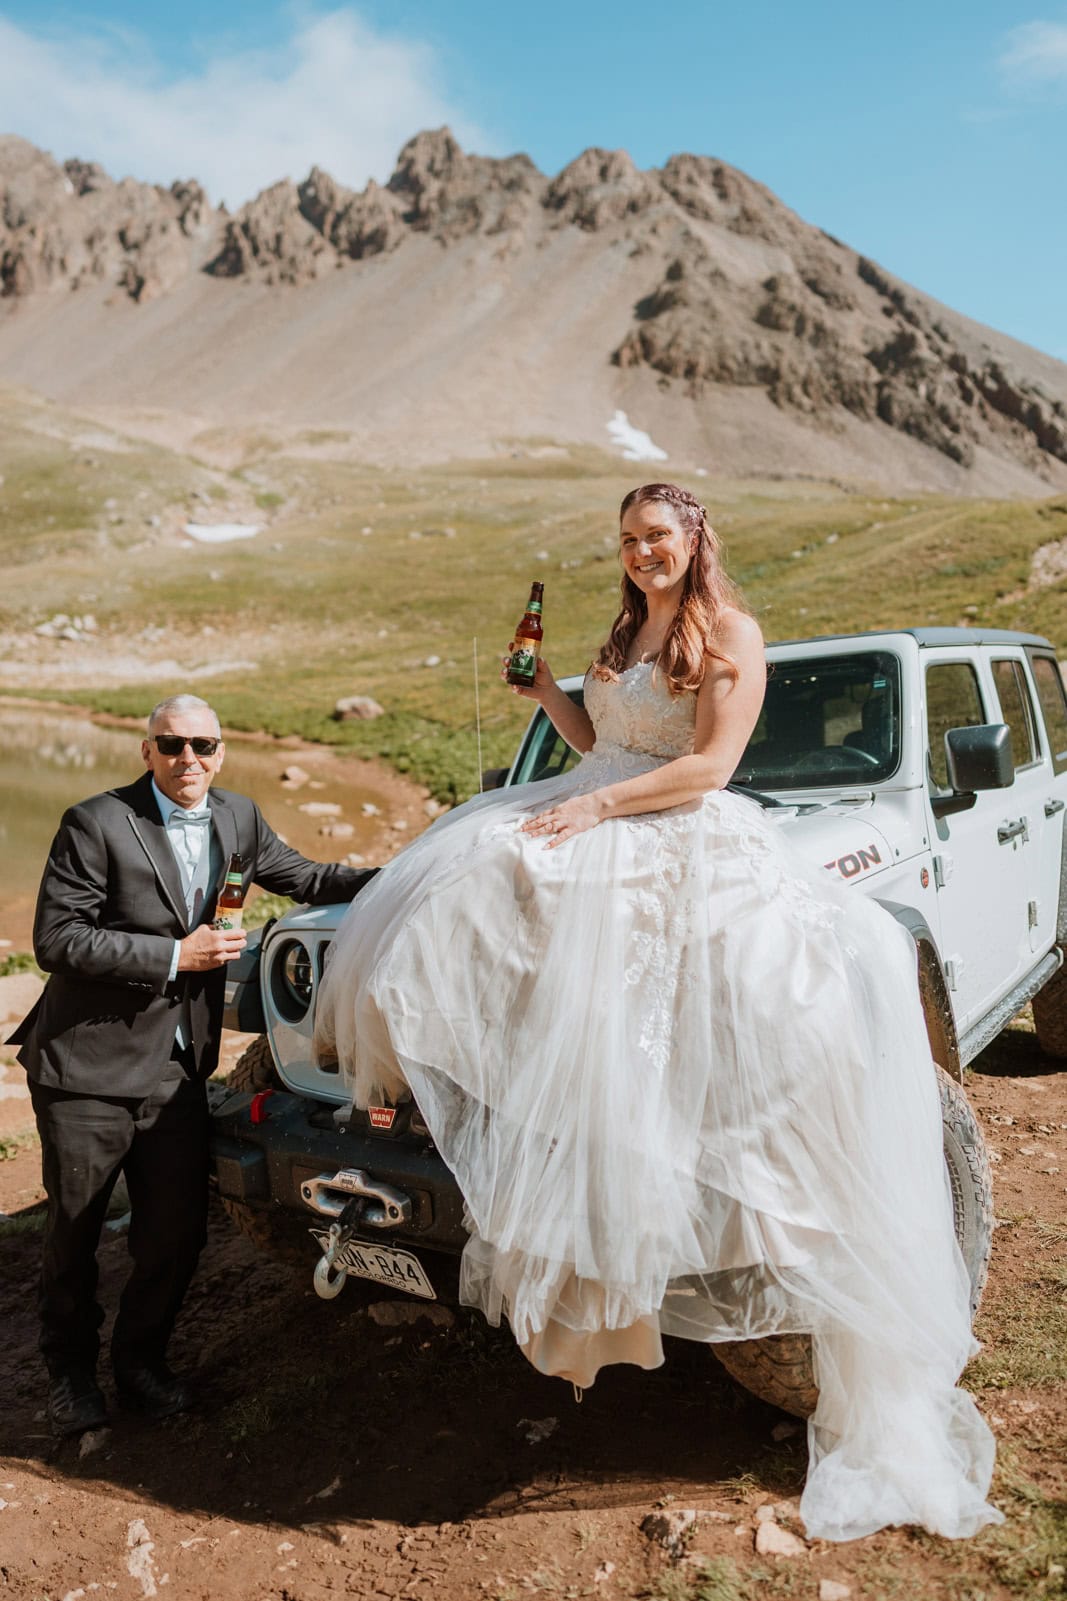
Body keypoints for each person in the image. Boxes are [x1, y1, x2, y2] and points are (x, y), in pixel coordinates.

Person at [314, 483, 1001, 1543]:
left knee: (674, 967)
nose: (641, 552)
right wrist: (548, 692)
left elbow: (707, 764)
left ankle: (677, 1177)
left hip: (675, 821)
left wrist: (589, 803)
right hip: (597, 793)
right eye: (628, 539)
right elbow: (603, 733)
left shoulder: (728, 628)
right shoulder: (627, 625)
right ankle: (470, 1111)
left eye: (658, 537)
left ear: (692, 539)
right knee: (461, 889)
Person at [12, 694, 373, 1438]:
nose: (188, 760)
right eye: (171, 744)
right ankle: (70, 1376)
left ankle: (140, 1364)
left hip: (179, 1070)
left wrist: (410, 876)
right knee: (74, 1235)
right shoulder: (95, 822)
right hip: (88, 1068)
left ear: (221, 752)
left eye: (202, 745)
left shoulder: (236, 817)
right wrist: (176, 955)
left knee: (174, 1234)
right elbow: (56, 937)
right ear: (146, 750)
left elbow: (308, 878)